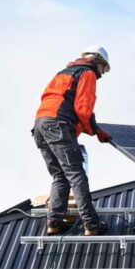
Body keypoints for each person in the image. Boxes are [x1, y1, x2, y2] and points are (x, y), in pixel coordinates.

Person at [33, 45, 113, 236]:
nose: (103, 73)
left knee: (60, 176)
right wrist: (97, 132)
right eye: (104, 68)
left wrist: (91, 128)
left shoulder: (63, 73)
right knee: (76, 175)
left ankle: (53, 223)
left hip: (40, 125)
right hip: (57, 125)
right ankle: (91, 224)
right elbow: (83, 108)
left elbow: (54, 101)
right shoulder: (87, 73)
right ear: (98, 63)